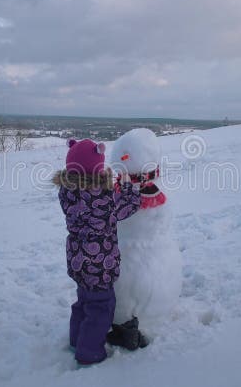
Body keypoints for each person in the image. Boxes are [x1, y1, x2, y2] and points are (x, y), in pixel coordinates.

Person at [53, 138, 141, 365]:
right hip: (99, 265)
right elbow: (128, 205)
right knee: (101, 308)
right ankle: (89, 352)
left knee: (82, 302)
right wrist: (131, 188)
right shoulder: (104, 199)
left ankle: (76, 339)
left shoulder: (67, 192)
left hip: (77, 260)